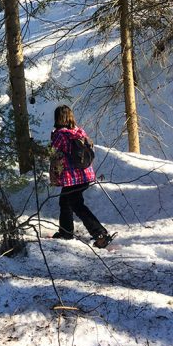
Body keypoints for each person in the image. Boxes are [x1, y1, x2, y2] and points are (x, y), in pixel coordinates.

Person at [49, 105, 113, 248]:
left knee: (76, 205)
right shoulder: (79, 132)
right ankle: (66, 232)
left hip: (72, 178)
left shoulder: (60, 134)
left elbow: (53, 154)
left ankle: (100, 234)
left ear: (57, 118)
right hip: (85, 175)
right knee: (65, 202)